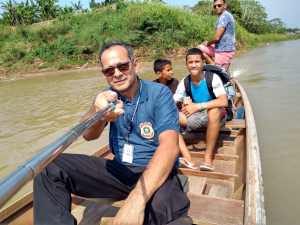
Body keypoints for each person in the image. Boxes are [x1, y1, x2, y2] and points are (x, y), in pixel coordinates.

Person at [33, 40, 190, 225]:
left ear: (136, 65)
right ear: (104, 75)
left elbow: (170, 146)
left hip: (155, 172)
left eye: (122, 66)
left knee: (158, 210)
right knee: (48, 166)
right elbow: (88, 136)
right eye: (109, 70)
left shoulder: (159, 93)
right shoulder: (106, 97)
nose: (117, 73)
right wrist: (98, 114)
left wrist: (136, 200)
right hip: (119, 170)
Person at [173, 48, 228, 171]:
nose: (193, 65)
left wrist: (197, 106)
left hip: (215, 114)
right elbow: (173, 101)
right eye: (190, 62)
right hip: (196, 115)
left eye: (197, 62)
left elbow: (223, 101)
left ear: (203, 63)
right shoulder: (184, 82)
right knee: (168, 117)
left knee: (213, 112)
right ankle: (187, 158)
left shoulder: (212, 78)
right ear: (186, 64)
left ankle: (207, 158)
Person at [152, 59, 196, 169]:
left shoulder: (174, 82)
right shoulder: (153, 85)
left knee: (170, 124)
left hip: (176, 112)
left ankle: (187, 157)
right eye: (168, 70)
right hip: (163, 114)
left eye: (171, 69)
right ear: (159, 73)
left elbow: (171, 103)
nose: (171, 72)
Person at [197, 0, 235, 69]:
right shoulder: (225, 16)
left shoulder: (224, 17)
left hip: (224, 50)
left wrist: (208, 43)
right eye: (215, 6)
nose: (217, 7)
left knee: (220, 75)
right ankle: (214, 66)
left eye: (219, 5)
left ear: (225, 5)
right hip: (220, 47)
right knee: (199, 48)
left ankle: (216, 68)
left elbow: (216, 37)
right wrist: (210, 44)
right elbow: (222, 38)